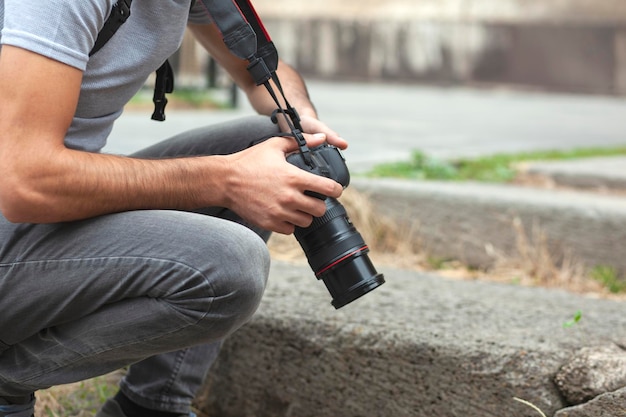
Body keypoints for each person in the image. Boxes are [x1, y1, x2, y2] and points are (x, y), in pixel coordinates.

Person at [0, 1, 348, 416]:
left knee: (269, 146)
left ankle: (150, 406)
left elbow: (262, 76)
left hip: (31, 218)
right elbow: (25, 182)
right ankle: (8, 383)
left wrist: (302, 123)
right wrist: (226, 180)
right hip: (18, 205)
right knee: (227, 264)